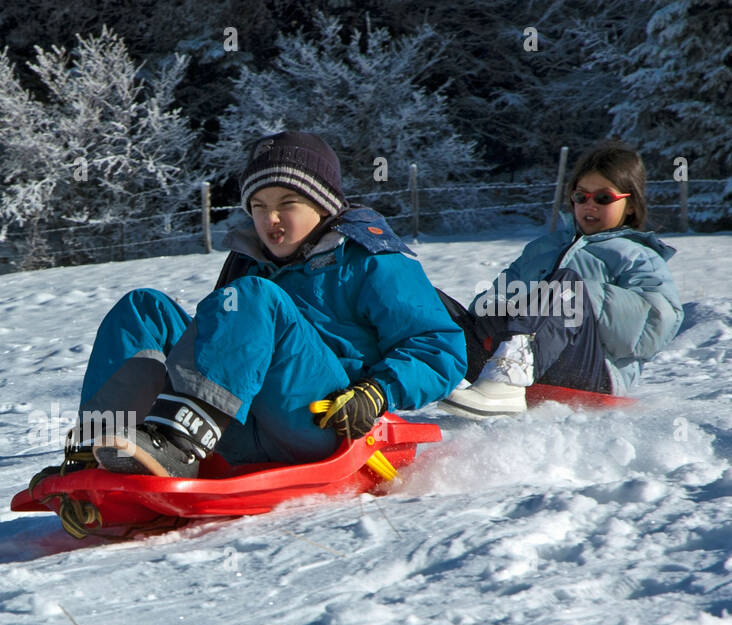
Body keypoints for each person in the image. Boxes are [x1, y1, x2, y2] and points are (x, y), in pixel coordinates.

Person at [31, 130, 466, 484]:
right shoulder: (248, 262)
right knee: (143, 309)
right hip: (234, 427)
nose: (269, 220)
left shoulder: (370, 258)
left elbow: (440, 347)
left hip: (322, 420)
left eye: (286, 205)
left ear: (323, 205)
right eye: (258, 207)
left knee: (255, 296)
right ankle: (99, 448)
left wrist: (378, 391)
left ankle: (178, 442)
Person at [439, 140, 682, 418]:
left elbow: (660, 320)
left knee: (567, 287)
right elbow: (493, 297)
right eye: (581, 196)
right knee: (421, 299)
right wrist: (504, 310)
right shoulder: (542, 248)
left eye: (603, 198)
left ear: (630, 205)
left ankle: (505, 381)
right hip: (504, 358)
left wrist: (582, 296)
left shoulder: (637, 256)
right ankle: (387, 388)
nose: (589, 205)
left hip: (589, 370)